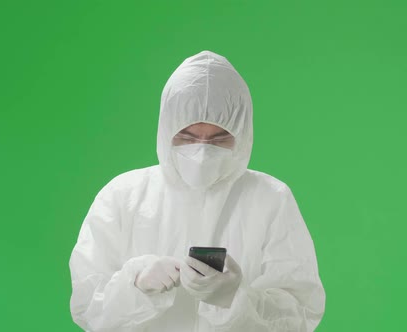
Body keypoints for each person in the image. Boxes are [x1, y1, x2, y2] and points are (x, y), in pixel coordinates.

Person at [69, 50, 326, 331]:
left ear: (242, 134)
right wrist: (136, 284)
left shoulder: (271, 199)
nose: (202, 152)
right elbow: (88, 308)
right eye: (187, 137)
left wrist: (234, 298)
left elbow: (300, 315)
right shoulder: (122, 196)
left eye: (219, 139)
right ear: (166, 131)